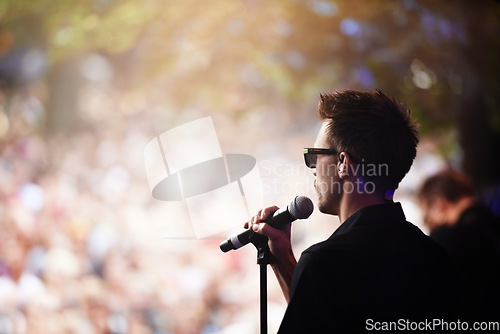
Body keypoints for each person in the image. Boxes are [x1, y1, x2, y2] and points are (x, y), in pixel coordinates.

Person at [245, 90, 456, 333]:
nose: (313, 169)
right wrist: (283, 259)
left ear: (344, 163)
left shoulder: (326, 262)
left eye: (315, 156)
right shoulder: (435, 257)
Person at [417, 169, 500, 321]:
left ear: (438, 204)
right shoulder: (491, 217)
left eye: (427, 216)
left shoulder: (447, 238)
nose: (430, 223)